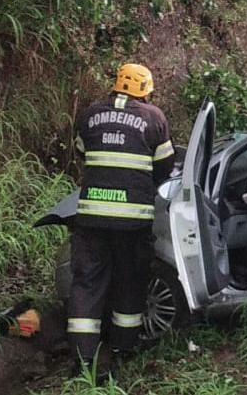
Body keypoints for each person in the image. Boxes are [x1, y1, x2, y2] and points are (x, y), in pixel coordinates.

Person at [67, 63, 174, 373]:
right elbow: (165, 167)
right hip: (133, 221)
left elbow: (82, 152)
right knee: (130, 278)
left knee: (87, 283)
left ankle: (83, 357)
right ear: (146, 91)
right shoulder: (154, 118)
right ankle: (123, 346)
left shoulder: (89, 115)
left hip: (91, 220)